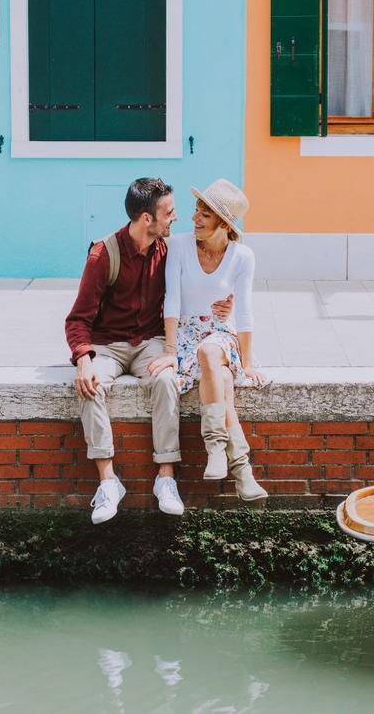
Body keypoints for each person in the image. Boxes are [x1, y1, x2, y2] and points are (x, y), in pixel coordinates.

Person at [65, 178, 232, 524]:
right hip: (107, 345)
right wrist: (84, 359)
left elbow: (198, 288)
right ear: (146, 219)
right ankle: (108, 483)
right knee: (89, 386)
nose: (176, 218)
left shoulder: (171, 250)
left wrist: (223, 307)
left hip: (150, 343)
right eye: (168, 212)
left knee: (166, 380)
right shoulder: (103, 255)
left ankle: (166, 478)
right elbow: (78, 319)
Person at [162, 178, 268, 502]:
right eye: (196, 211)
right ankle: (242, 468)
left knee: (212, 352)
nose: (194, 218)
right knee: (221, 377)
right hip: (184, 336)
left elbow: (245, 312)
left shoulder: (242, 256)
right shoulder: (179, 246)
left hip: (221, 333)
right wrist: (168, 349)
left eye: (204, 214)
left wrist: (247, 364)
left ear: (222, 222)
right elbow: (172, 300)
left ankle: (215, 447)